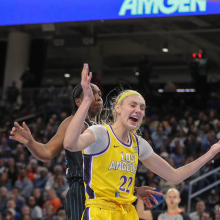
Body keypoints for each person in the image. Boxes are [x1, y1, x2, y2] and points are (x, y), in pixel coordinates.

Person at [63, 63, 220, 220]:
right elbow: (70, 143)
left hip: (128, 213)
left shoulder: (139, 144)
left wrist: (212, 152)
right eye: (133, 105)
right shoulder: (101, 133)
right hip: (100, 212)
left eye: (142, 108)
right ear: (117, 108)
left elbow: (175, 176)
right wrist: (86, 101)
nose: (138, 110)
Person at [9, 64, 158, 220]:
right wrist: (30, 142)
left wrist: (132, 191)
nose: (98, 97)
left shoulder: (104, 129)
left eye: (99, 94)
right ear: (79, 101)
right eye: (92, 93)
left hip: (102, 194)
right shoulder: (73, 123)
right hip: (81, 189)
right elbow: (47, 153)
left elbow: (109, 173)